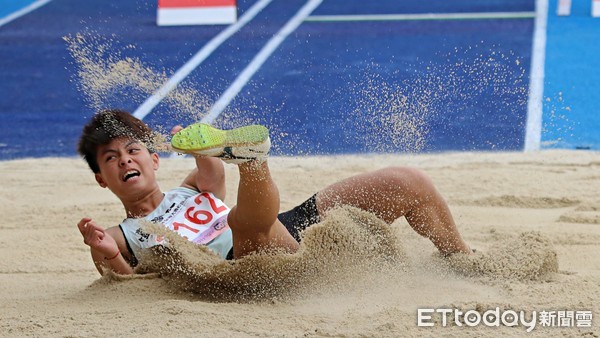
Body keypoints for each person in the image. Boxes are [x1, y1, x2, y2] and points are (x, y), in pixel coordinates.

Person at [77, 109, 472, 275]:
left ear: (155, 159)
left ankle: (463, 260)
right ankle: (254, 162)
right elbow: (124, 282)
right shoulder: (118, 235)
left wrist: (192, 142)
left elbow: (210, 163)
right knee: (243, 222)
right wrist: (107, 252)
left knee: (406, 181)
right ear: (101, 179)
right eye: (111, 158)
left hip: (281, 227)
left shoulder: (192, 188)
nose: (126, 161)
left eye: (133, 151)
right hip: (241, 266)